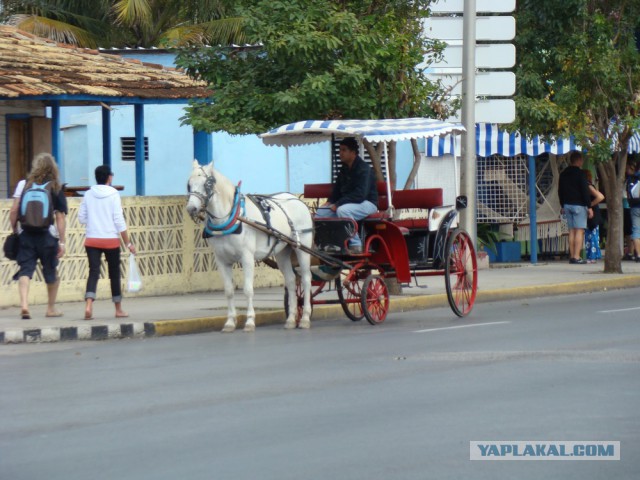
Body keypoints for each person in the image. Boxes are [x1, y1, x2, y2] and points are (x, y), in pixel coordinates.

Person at [9, 153, 67, 319]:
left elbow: (14, 210)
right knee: (51, 271)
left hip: (26, 234)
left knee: (25, 270)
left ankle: (25, 305)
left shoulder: (24, 185)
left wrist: (15, 230)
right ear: (53, 168)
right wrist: (62, 242)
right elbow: (60, 217)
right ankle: (50, 309)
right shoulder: (55, 187)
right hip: (47, 236)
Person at [78, 165, 136, 320]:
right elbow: (119, 220)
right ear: (109, 177)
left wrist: (95, 219)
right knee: (114, 274)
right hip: (111, 240)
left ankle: (89, 305)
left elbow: (81, 218)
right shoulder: (114, 194)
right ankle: (118, 309)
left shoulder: (88, 194)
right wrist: (128, 243)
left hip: (92, 239)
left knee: (94, 272)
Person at [315, 137, 378, 253]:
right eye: (340, 150)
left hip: (368, 203)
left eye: (344, 150)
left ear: (353, 153)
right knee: (320, 213)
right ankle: (328, 244)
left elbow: (360, 195)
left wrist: (338, 204)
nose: (340, 153)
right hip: (348, 204)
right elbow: (337, 191)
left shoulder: (364, 169)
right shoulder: (344, 169)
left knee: (343, 211)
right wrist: (329, 202)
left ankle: (356, 244)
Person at [558, 151, 593, 264]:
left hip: (567, 205)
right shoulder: (581, 174)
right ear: (578, 161)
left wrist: (562, 204)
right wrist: (589, 206)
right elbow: (585, 190)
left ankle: (572, 256)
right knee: (579, 231)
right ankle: (577, 256)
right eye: (581, 160)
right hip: (579, 205)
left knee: (571, 231)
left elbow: (560, 191)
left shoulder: (563, 174)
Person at [583, 169, 605, 264]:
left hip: (592, 213)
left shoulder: (588, 185)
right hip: (592, 213)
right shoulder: (588, 185)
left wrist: (590, 205)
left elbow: (600, 197)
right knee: (591, 234)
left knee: (592, 235)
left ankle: (592, 256)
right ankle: (592, 256)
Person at [626, 162, 640, 262]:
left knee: (635, 231)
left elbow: (628, 194)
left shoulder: (631, 178)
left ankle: (638, 255)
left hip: (634, 207)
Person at [623, 161, 636, 260]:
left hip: (629, 207)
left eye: (628, 168)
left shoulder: (632, 180)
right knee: (628, 231)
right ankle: (631, 251)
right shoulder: (626, 180)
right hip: (626, 206)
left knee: (631, 230)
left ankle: (632, 251)